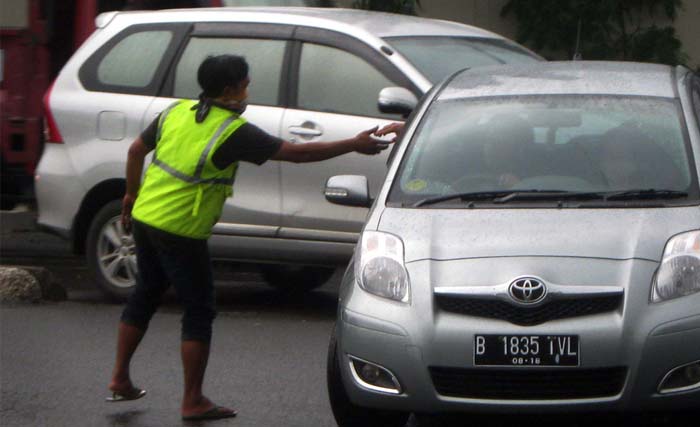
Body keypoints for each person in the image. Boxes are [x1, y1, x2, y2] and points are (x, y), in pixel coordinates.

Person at [106, 54, 390, 421]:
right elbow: (295, 154)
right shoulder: (231, 131)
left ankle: (119, 378)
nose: (247, 90)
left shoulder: (176, 111)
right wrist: (354, 144)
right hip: (181, 229)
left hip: (146, 218)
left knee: (145, 293)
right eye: (245, 83)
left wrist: (130, 195)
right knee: (198, 309)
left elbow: (135, 151)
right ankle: (193, 399)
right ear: (229, 90)